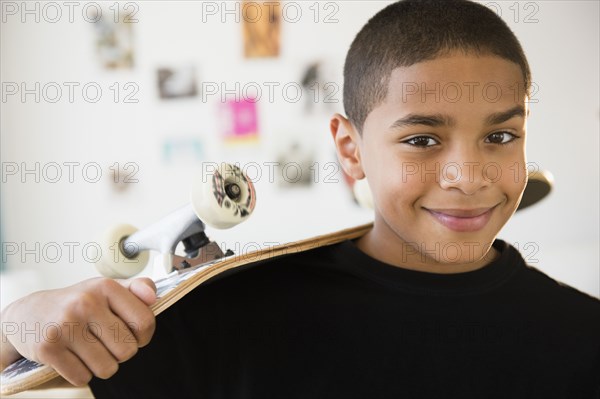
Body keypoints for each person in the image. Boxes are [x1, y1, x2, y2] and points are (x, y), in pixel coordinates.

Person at [2, 0, 599, 397]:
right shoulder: (230, 312)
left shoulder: (584, 337)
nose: (469, 176)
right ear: (350, 148)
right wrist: (16, 325)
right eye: (422, 139)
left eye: (501, 136)